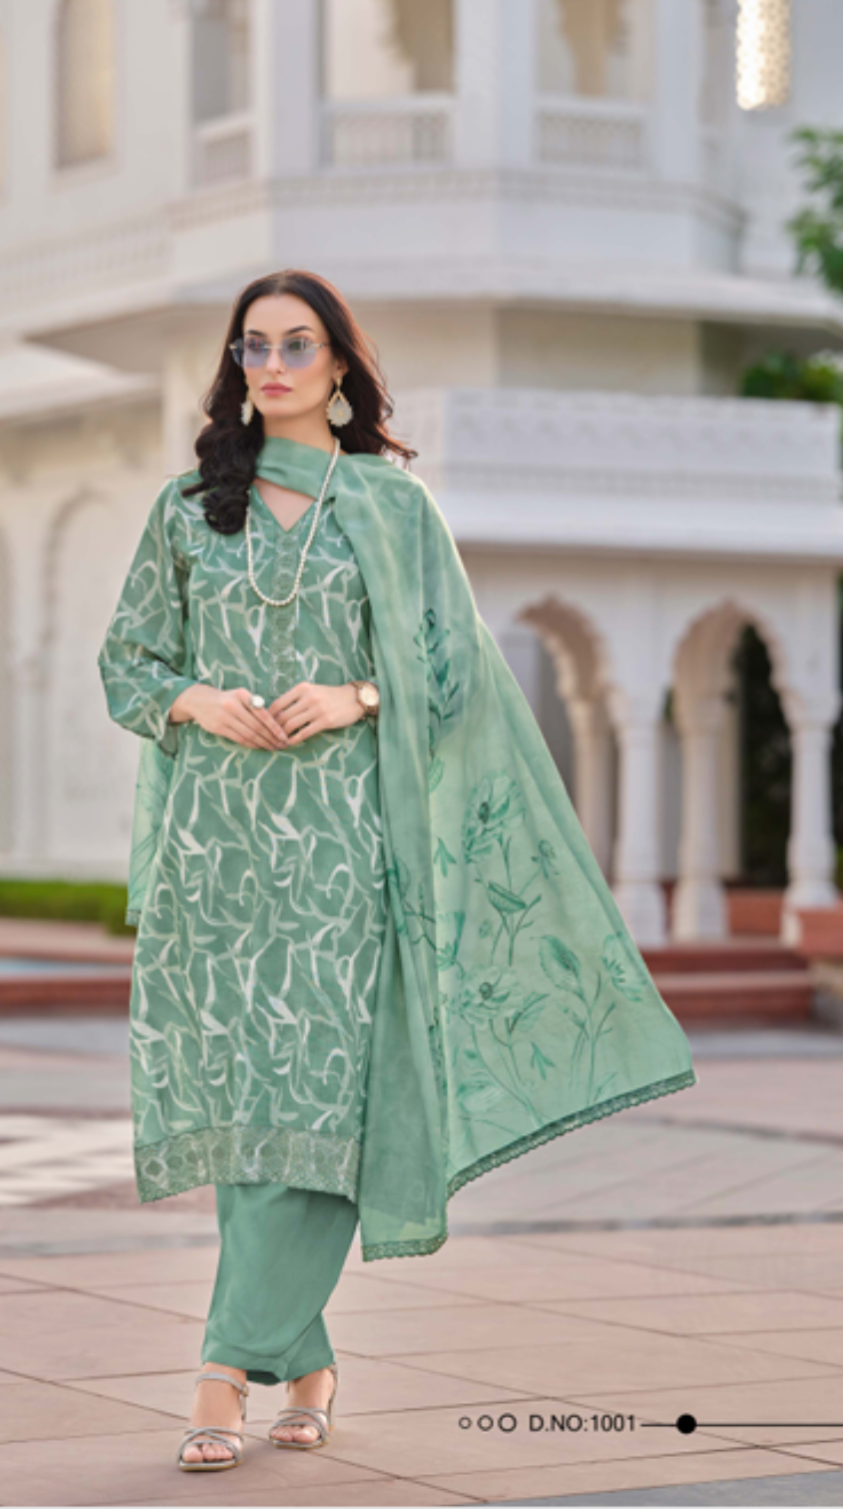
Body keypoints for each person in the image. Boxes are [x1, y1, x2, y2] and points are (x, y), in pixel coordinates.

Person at [97, 269, 697, 1473]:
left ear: (339, 367)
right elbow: (127, 662)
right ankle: (306, 1362)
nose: (270, 365)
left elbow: (455, 672)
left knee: (321, 1099)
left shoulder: (388, 507)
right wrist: (196, 699)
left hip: (341, 852)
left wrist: (355, 693)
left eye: (295, 344)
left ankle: (223, 1372)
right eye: (252, 346)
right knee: (252, 1120)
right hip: (218, 851)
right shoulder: (185, 510)